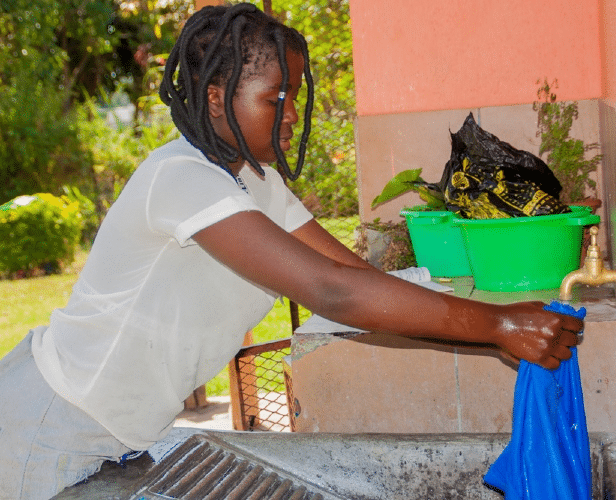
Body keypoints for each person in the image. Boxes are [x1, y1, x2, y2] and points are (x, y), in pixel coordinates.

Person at [0, 3, 583, 498]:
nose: (292, 114)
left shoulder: (257, 184)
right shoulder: (181, 179)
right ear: (215, 98)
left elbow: (348, 273)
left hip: (114, 430)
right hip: (50, 420)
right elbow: (331, 292)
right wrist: (498, 324)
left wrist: (467, 297)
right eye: (275, 98)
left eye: (296, 97)